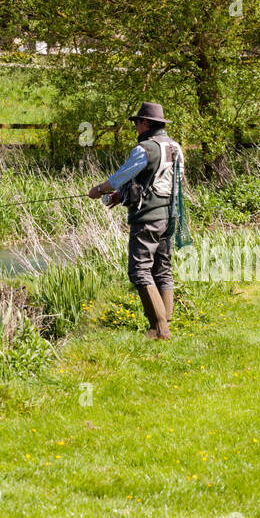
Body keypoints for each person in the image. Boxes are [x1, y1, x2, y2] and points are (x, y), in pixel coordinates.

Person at [88, 102, 183, 341]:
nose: (136, 127)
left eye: (138, 122)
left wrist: (100, 190)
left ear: (146, 123)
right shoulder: (175, 147)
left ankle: (160, 330)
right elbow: (161, 183)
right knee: (162, 270)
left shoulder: (145, 149)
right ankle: (164, 324)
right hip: (171, 217)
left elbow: (121, 176)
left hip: (148, 219)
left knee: (139, 270)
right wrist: (122, 197)